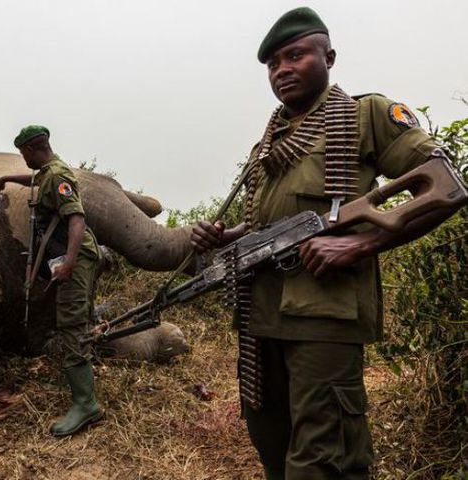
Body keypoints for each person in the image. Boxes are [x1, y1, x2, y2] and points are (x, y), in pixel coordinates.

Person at [191, 7, 457, 479]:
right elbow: (264, 225)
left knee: (323, 459)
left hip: (324, 318)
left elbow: (444, 186)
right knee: (270, 439)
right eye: (273, 63)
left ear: (329, 57)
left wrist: (358, 246)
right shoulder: (268, 145)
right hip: (260, 318)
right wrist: (226, 236)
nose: (282, 70)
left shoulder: (365, 115)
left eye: (295, 55)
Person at [0, 125, 103, 436]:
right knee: (72, 321)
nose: (23, 159)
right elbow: (37, 182)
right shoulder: (48, 174)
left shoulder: (57, 176)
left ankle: (86, 404)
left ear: (31, 149)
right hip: (66, 259)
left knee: (71, 324)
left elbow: (76, 219)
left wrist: (69, 262)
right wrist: (7, 179)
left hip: (76, 259)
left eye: (22, 154)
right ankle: (84, 394)